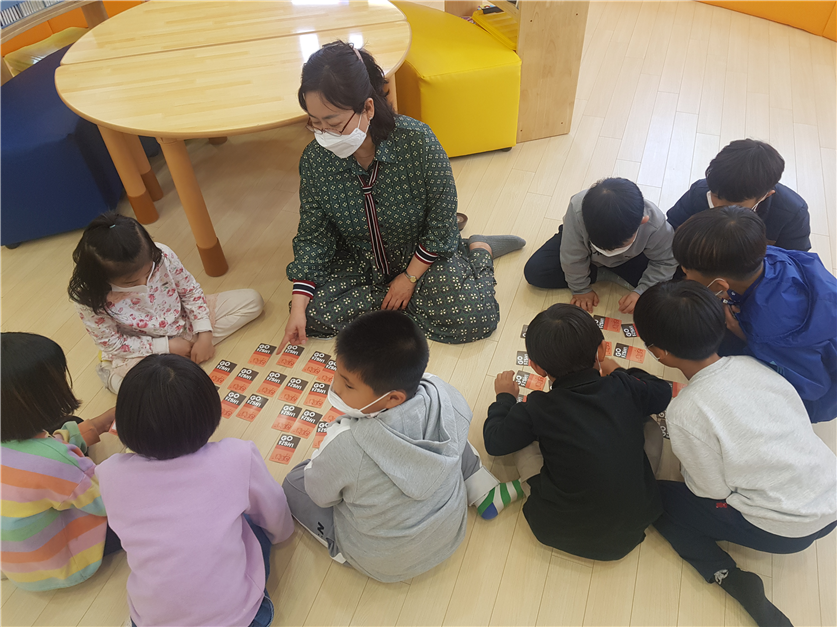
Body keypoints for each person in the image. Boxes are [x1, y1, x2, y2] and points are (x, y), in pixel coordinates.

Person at [282, 41, 525, 347]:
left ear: (368, 108)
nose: (324, 134)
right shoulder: (315, 160)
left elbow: (441, 221)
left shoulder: (418, 142)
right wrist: (299, 307)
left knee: (476, 318)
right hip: (360, 260)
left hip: (419, 257)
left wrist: (409, 279)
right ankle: (404, 302)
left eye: (333, 122)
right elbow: (314, 235)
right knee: (310, 313)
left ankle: (478, 249)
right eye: (315, 123)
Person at [633, 281, 836, 627]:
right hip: (830, 495)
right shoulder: (754, 365)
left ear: (658, 352)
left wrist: (689, 462)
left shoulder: (685, 412)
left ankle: (726, 574)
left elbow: (711, 491)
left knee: (656, 498)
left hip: (786, 529)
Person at [282, 311, 522, 582]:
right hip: (450, 532)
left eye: (348, 384)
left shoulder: (345, 443)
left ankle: (342, 551)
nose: (335, 387)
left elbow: (321, 496)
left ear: (393, 398)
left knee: (294, 482)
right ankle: (483, 488)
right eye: (336, 373)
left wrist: (330, 458)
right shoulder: (443, 393)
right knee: (450, 432)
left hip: (385, 564)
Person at [96, 355, 294, 627]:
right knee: (251, 525)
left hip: (151, 622)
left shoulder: (109, 473)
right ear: (209, 412)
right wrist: (281, 535)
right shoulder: (237, 456)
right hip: (240, 619)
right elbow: (276, 515)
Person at [482, 304, 671, 560]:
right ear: (602, 350)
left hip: (556, 528)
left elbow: (494, 441)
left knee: (523, 439)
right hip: (637, 521)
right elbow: (662, 392)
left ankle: (521, 486)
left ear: (536, 367)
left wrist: (504, 398)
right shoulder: (623, 387)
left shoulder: (537, 407)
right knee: (650, 425)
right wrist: (619, 371)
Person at [672, 206, 837, 423]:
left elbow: (812, 388)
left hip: (817, 394)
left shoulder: (768, 330)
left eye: (686, 271)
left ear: (721, 284)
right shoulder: (768, 255)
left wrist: (745, 336)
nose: (684, 274)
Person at [69, 213, 264, 393]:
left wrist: (204, 335)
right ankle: (112, 372)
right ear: (101, 278)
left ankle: (183, 357)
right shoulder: (88, 296)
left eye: (149, 273)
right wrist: (166, 347)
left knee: (253, 301)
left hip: (184, 325)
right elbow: (113, 343)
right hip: (144, 349)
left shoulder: (162, 255)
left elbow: (190, 292)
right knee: (136, 391)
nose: (144, 283)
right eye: (131, 283)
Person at [1, 332, 121, 591]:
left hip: (16, 558)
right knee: (138, 508)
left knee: (73, 425)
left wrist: (97, 425)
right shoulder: (54, 461)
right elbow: (105, 502)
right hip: (62, 564)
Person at [523, 178, 677, 314]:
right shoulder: (578, 211)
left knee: (673, 285)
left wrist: (641, 292)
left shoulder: (655, 225)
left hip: (630, 259)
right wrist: (580, 289)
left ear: (642, 222)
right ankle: (602, 273)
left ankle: (600, 272)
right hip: (585, 251)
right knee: (535, 271)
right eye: (604, 248)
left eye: (619, 246)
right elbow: (572, 255)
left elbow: (666, 261)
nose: (610, 252)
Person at [667, 139, 811, 251]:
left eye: (735, 205)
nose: (720, 207)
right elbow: (672, 231)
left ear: (766, 195)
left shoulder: (792, 213)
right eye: (715, 196)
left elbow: (793, 260)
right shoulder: (699, 191)